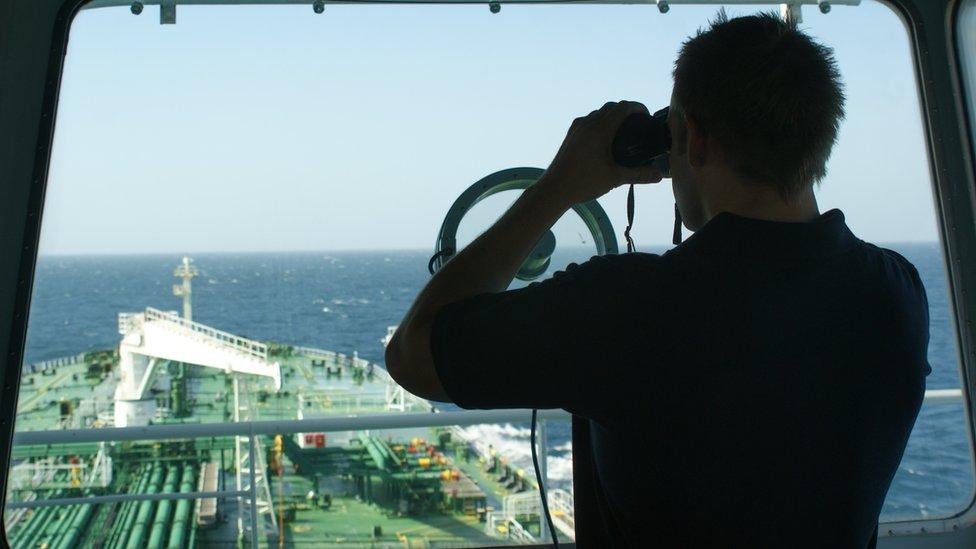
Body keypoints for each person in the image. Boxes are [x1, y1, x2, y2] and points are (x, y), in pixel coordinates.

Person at [385, 11, 929, 548]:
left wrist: (557, 186)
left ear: (693, 139)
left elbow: (412, 355)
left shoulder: (626, 307)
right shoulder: (896, 292)